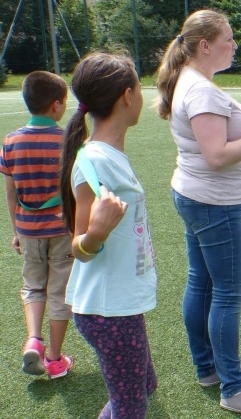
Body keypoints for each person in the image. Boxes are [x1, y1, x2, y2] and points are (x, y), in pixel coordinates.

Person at [155, 9, 241, 416]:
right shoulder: (201, 89)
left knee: (202, 284)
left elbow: (217, 144)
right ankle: (233, 387)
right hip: (214, 203)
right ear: (205, 45)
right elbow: (216, 155)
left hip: (196, 196)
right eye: (228, 38)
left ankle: (210, 369)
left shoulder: (191, 81)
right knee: (226, 294)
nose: (234, 45)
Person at [57, 52, 157, 418]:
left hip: (120, 302)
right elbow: (79, 246)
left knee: (144, 387)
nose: (143, 96)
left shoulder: (111, 155)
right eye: (141, 88)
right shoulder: (94, 160)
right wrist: (96, 233)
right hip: (107, 310)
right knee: (131, 408)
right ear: (127, 96)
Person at [1, 71, 74, 379]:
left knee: (33, 286)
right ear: (56, 106)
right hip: (61, 229)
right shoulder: (67, 141)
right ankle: (55, 360)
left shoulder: (11, 142)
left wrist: (17, 229)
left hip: (29, 229)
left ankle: (34, 339)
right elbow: (75, 190)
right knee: (59, 291)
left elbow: (11, 192)